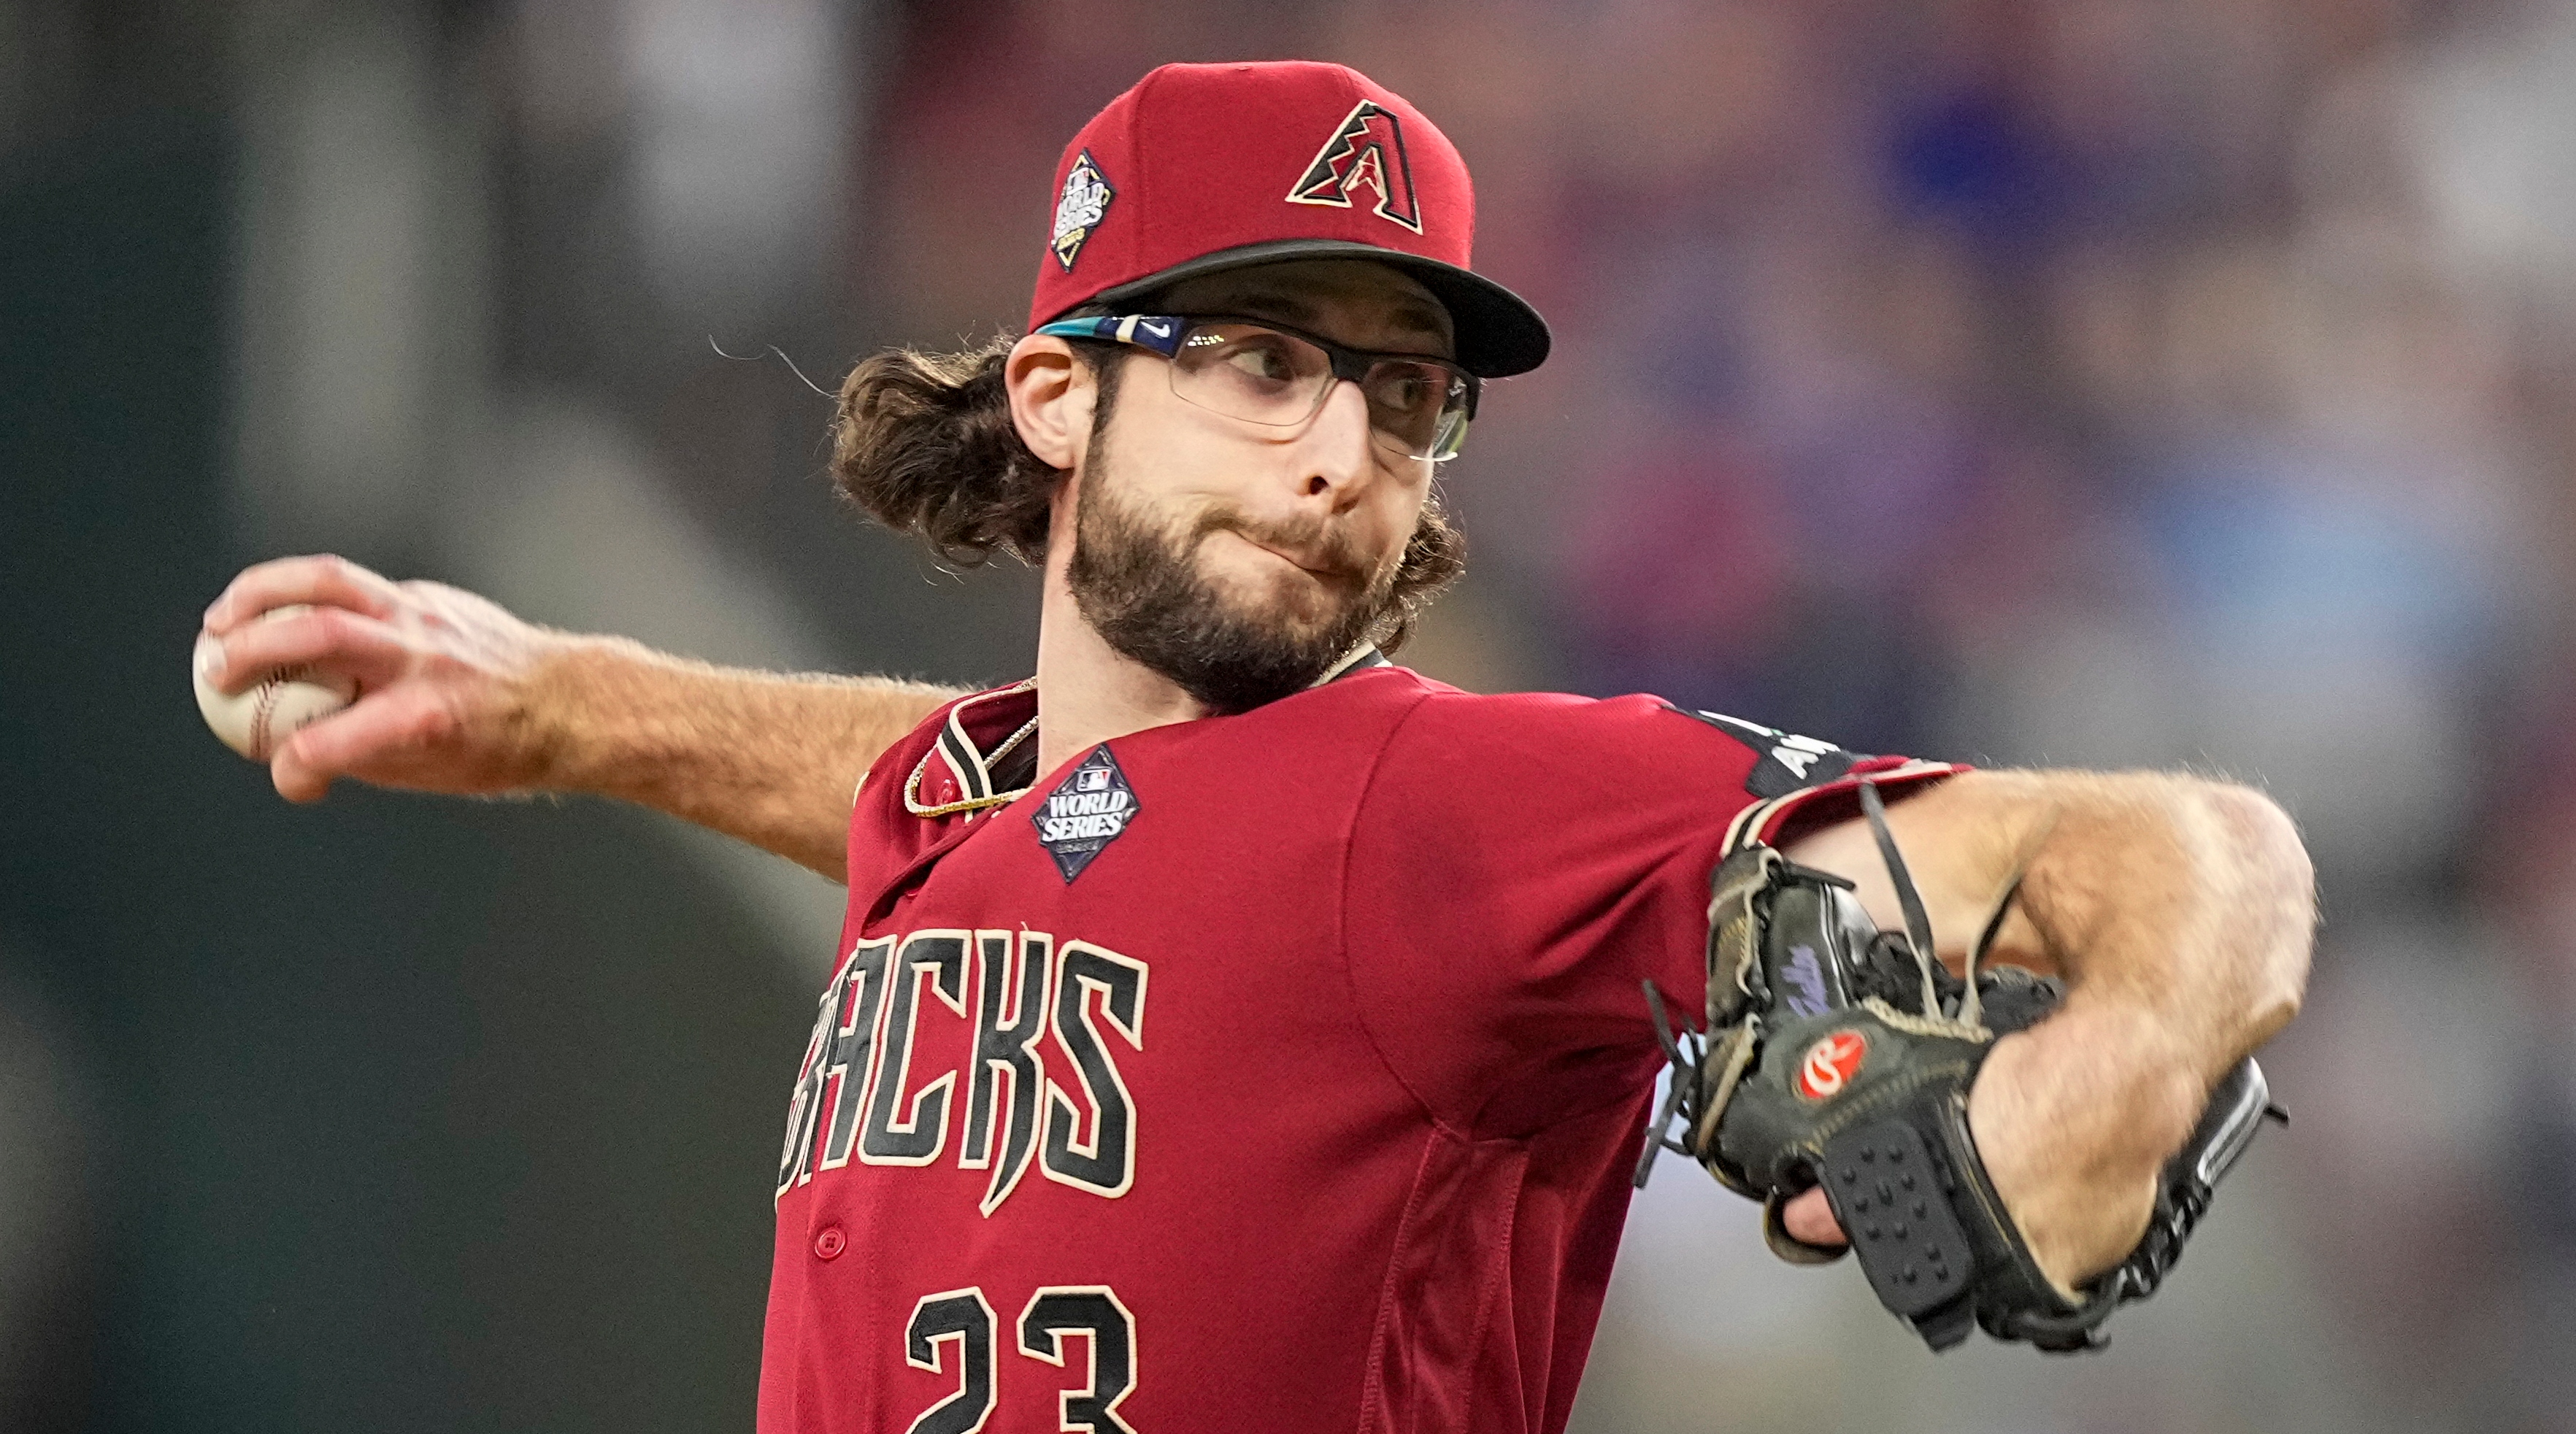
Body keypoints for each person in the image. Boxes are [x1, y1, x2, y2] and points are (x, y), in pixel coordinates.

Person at [196, 61, 2312, 1434]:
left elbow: (2174, 850)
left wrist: (2117, 1057)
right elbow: (942, 777)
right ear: (1051, 395)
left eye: (1401, 400)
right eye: (1257, 362)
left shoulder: (1457, 809)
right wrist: (576, 705)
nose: (1337, 455)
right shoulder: (974, 803)